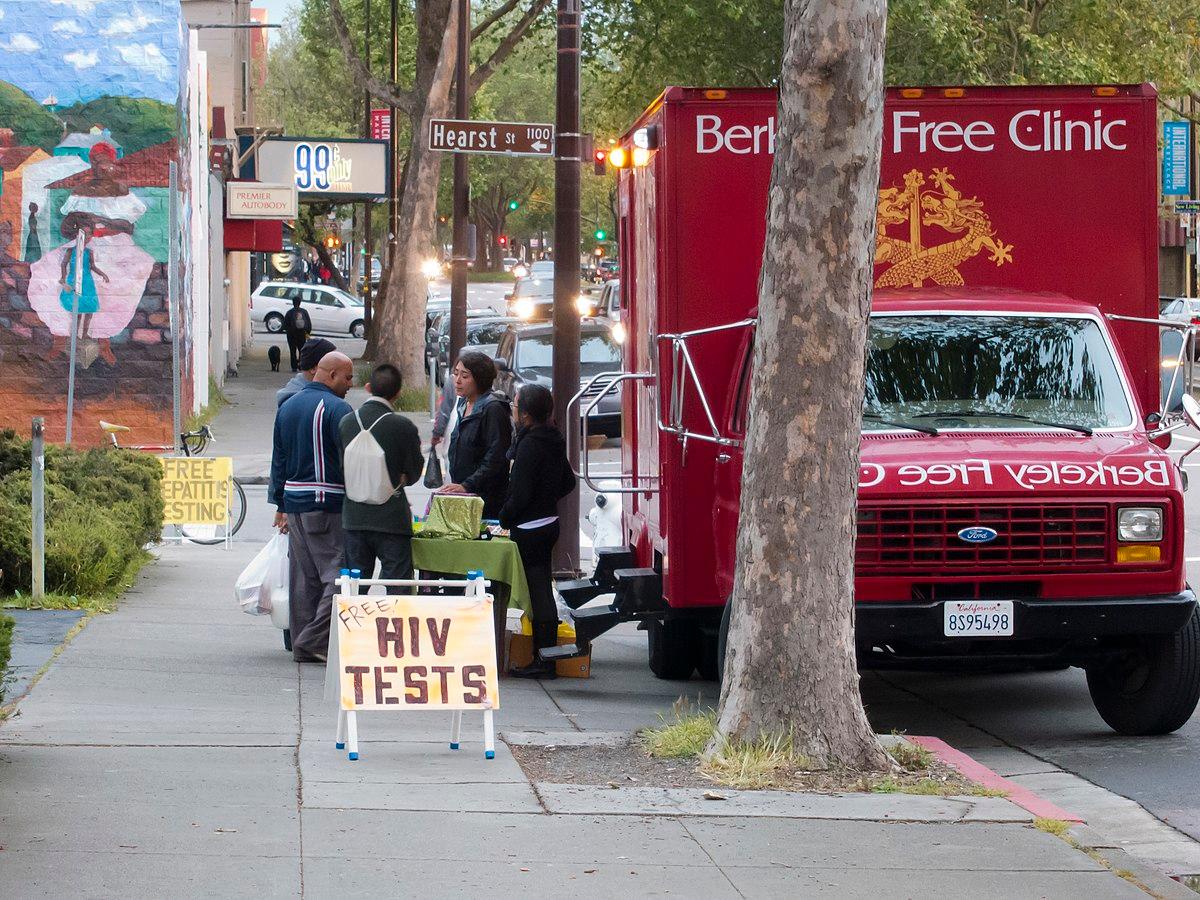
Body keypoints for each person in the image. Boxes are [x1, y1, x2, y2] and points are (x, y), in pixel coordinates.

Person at [270, 351, 355, 662]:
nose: (350, 384)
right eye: (347, 377)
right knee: (339, 574)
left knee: (304, 578)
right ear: (330, 375)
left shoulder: (287, 406)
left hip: (294, 503)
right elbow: (350, 458)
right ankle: (312, 640)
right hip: (326, 502)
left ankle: (304, 642)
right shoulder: (337, 408)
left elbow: (278, 461)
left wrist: (280, 504)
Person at [500, 384, 576, 679]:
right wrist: (547, 499)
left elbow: (519, 494)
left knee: (539, 592)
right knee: (542, 588)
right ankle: (546, 655)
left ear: (527, 415)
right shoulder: (552, 439)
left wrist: (505, 518)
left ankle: (544, 659)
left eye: (516, 408)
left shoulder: (530, 445)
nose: (513, 412)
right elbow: (567, 481)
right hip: (547, 522)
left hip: (530, 527)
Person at [338, 364, 424, 591]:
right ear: (398, 392)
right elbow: (414, 472)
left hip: (354, 518)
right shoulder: (403, 427)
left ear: (368, 387)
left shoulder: (346, 422)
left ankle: (354, 627)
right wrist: (402, 476)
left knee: (354, 588)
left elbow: (341, 468)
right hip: (392, 520)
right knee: (398, 588)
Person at [441, 351, 512, 519]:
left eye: (465, 376)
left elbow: (496, 457)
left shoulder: (493, 408)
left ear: (479, 378)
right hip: (464, 494)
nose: (457, 381)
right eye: (456, 373)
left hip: (486, 498)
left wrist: (467, 485)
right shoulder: (463, 403)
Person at [276, 338, 337, 408]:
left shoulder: (299, 392)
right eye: (332, 363)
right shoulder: (302, 403)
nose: (337, 369)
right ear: (314, 368)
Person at [282, 294, 312, 372]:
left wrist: (289, 330)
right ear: (300, 302)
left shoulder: (289, 312)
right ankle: (301, 365)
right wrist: (307, 333)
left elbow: (284, 325)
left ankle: (294, 367)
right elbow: (308, 324)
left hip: (291, 334)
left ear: (293, 302)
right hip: (301, 334)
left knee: (293, 351)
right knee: (302, 350)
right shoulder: (304, 312)